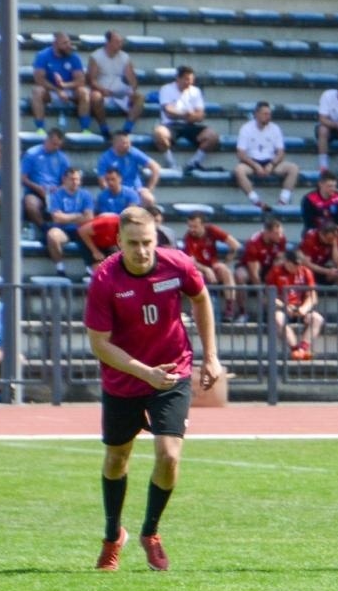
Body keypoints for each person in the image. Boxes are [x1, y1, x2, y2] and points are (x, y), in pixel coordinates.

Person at [84, 205, 223, 572]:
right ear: (118, 242)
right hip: (124, 378)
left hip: (172, 371)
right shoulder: (104, 279)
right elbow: (99, 344)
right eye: (133, 243)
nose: (142, 250)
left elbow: (201, 298)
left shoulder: (177, 265)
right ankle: (113, 534)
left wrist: (211, 356)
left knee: (170, 454)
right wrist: (144, 372)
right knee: (117, 459)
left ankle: (151, 532)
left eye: (148, 242)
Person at [227, 100, 297, 211]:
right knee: (239, 170)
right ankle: (256, 201)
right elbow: (241, 153)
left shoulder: (275, 128)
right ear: (256, 114)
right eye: (265, 114)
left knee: (293, 168)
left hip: (270, 161)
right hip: (251, 161)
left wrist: (272, 164)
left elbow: (280, 152)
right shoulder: (246, 128)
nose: (268, 117)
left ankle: (283, 201)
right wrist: (255, 165)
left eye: (269, 114)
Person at [153, 66, 220, 173]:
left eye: (191, 79)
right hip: (170, 124)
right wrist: (186, 114)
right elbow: (168, 111)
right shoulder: (166, 89)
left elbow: (200, 115)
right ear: (178, 78)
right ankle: (171, 163)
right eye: (186, 79)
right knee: (159, 134)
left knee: (212, 136)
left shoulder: (196, 91)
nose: (189, 82)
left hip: (190, 124)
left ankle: (194, 162)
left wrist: (185, 116)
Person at [266, 251, 323, 361]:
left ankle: (302, 349)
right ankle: (295, 349)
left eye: (299, 264)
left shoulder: (306, 272)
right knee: (278, 319)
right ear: (287, 262)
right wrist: (284, 306)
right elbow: (269, 296)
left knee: (317, 319)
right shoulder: (275, 272)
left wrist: (304, 308)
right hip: (282, 307)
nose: (298, 267)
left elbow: (313, 296)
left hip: (300, 307)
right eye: (295, 264)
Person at [182, 212, 241, 318]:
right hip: (199, 269)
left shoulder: (211, 230)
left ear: (203, 225)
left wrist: (226, 261)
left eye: (195, 226)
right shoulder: (188, 238)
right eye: (190, 226)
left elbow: (235, 245)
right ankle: (195, 310)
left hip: (214, 267)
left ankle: (230, 307)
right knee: (197, 274)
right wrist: (206, 270)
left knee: (225, 270)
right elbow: (191, 261)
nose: (192, 229)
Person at [30, 32, 90, 134]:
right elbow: (39, 79)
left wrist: (64, 86)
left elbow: (81, 80)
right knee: (37, 92)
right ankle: (40, 128)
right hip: (51, 90)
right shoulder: (43, 55)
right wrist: (58, 90)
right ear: (55, 44)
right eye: (65, 43)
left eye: (69, 43)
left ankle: (85, 129)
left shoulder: (74, 57)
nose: (68, 46)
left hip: (70, 90)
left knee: (84, 92)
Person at [88, 30, 144, 140]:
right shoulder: (95, 56)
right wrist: (102, 90)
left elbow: (132, 78)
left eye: (121, 42)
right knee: (95, 97)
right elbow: (92, 80)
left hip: (120, 91)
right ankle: (104, 128)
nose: (120, 44)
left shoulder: (125, 57)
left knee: (140, 97)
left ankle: (126, 129)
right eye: (117, 42)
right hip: (102, 90)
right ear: (108, 42)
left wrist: (132, 89)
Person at [40, 167, 94, 275]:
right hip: (63, 230)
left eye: (77, 179)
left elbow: (89, 217)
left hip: (81, 230)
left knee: (91, 231)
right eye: (72, 179)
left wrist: (66, 217)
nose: (75, 182)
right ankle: (60, 268)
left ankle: (90, 268)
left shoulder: (86, 195)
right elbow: (56, 218)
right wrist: (77, 216)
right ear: (64, 179)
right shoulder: (56, 195)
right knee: (52, 235)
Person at [94, 129, 160, 210]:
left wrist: (149, 189)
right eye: (125, 143)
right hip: (117, 191)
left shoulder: (133, 152)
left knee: (148, 199)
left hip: (136, 190)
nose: (128, 145)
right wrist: (112, 192)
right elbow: (102, 181)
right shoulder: (105, 158)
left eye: (129, 142)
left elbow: (155, 167)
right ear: (116, 144)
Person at [20, 127, 70, 227]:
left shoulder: (63, 158)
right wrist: (37, 188)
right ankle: (43, 227)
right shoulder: (32, 154)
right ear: (47, 140)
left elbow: (67, 180)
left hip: (55, 192)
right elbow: (22, 177)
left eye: (58, 145)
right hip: (35, 191)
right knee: (31, 205)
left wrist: (58, 189)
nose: (56, 147)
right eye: (54, 144)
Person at [236, 216, 287, 287]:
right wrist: (262, 293)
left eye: (281, 232)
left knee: (282, 263)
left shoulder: (281, 239)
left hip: (269, 266)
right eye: (277, 233)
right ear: (267, 232)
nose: (280, 236)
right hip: (249, 267)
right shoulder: (253, 243)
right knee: (241, 275)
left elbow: (280, 258)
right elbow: (253, 273)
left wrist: (273, 273)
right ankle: (243, 298)